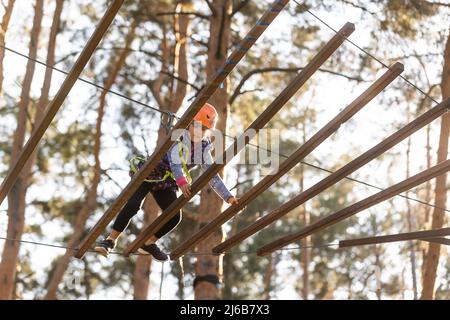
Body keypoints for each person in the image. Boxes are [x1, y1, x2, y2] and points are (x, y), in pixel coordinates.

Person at [95, 103, 238, 261]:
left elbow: (212, 175)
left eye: (204, 129)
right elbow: (175, 162)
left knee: (174, 215)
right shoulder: (178, 135)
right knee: (133, 204)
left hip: (167, 182)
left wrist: (228, 197)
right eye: (197, 127)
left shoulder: (202, 150)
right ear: (189, 123)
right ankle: (110, 240)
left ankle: (149, 243)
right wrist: (182, 182)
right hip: (150, 173)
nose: (199, 132)